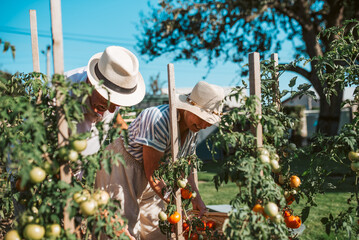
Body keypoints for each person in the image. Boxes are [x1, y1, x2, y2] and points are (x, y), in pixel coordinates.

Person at [95, 81, 225, 239]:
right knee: (123, 228)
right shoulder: (159, 119)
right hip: (122, 167)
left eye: (209, 121)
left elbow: (186, 164)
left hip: (153, 172)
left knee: (156, 230)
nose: (205, 125)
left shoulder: (193, 127)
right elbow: (153, 174)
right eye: (203, 118)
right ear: (189, 108)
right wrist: (177, 202)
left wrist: (195, 195)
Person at [64, 45, 145, 157]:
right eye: (109, 101)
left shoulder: (111, 94)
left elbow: (116, 119)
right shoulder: (61, 94)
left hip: (86, 169)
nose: (112, 110)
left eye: (117, 104)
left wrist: (139, 146)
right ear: (91, 83)